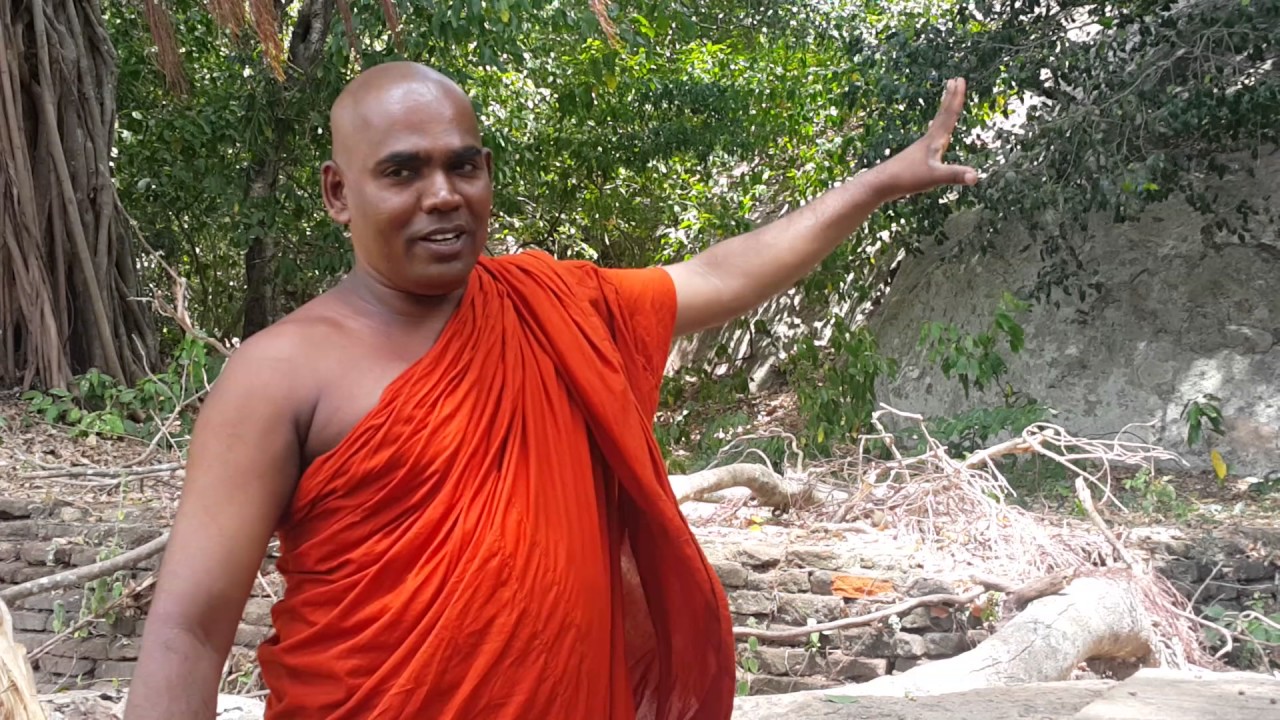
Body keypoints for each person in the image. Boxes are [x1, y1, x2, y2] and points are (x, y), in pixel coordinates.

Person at [124, 62, 977, 719]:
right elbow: (189, 629)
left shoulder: (553, 305)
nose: (443, 196)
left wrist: (873, 185)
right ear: (338, 193)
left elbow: (717, 272)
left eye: (465, 165)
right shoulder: (277, 373)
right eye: (402, 172)